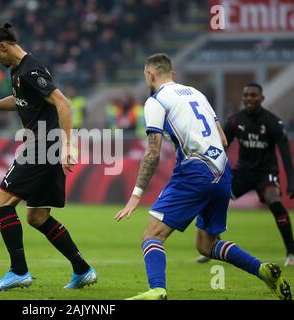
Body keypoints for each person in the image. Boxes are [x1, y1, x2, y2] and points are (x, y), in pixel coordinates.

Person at [115, 53, 291, 300]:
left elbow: (152, 153)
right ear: (173, 75)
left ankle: (157, 289)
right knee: (206, 246)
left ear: (150, 75)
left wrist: (135, 196)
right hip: (222, 172)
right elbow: (222, 139)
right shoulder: (198, 94)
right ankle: (262, 270)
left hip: (195, 171)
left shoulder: (156, 101)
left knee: (152, 235)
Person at [0, 23, 97, 291]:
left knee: (1, 204)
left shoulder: (30, 69)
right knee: (37, 217)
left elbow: (64, 103)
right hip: (47, 146)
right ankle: (82, 270)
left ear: (3, 46)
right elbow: (19, 100)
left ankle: (19, 271)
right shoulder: (18, 71)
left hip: (44, 144)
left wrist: (68, 146)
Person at [196, 83, 294, 266]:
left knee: (275, 202)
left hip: (266, 173)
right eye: (246, 95)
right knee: (213, 198)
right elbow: (222, 146)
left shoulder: (273, 122)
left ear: (261, 98)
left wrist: (291, 182)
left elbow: (285, 153)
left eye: (253, 95)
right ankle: (212, 245)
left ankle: (291, 253)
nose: (249, 99)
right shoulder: (235, 120)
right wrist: (211, 170)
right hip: (242, 173)